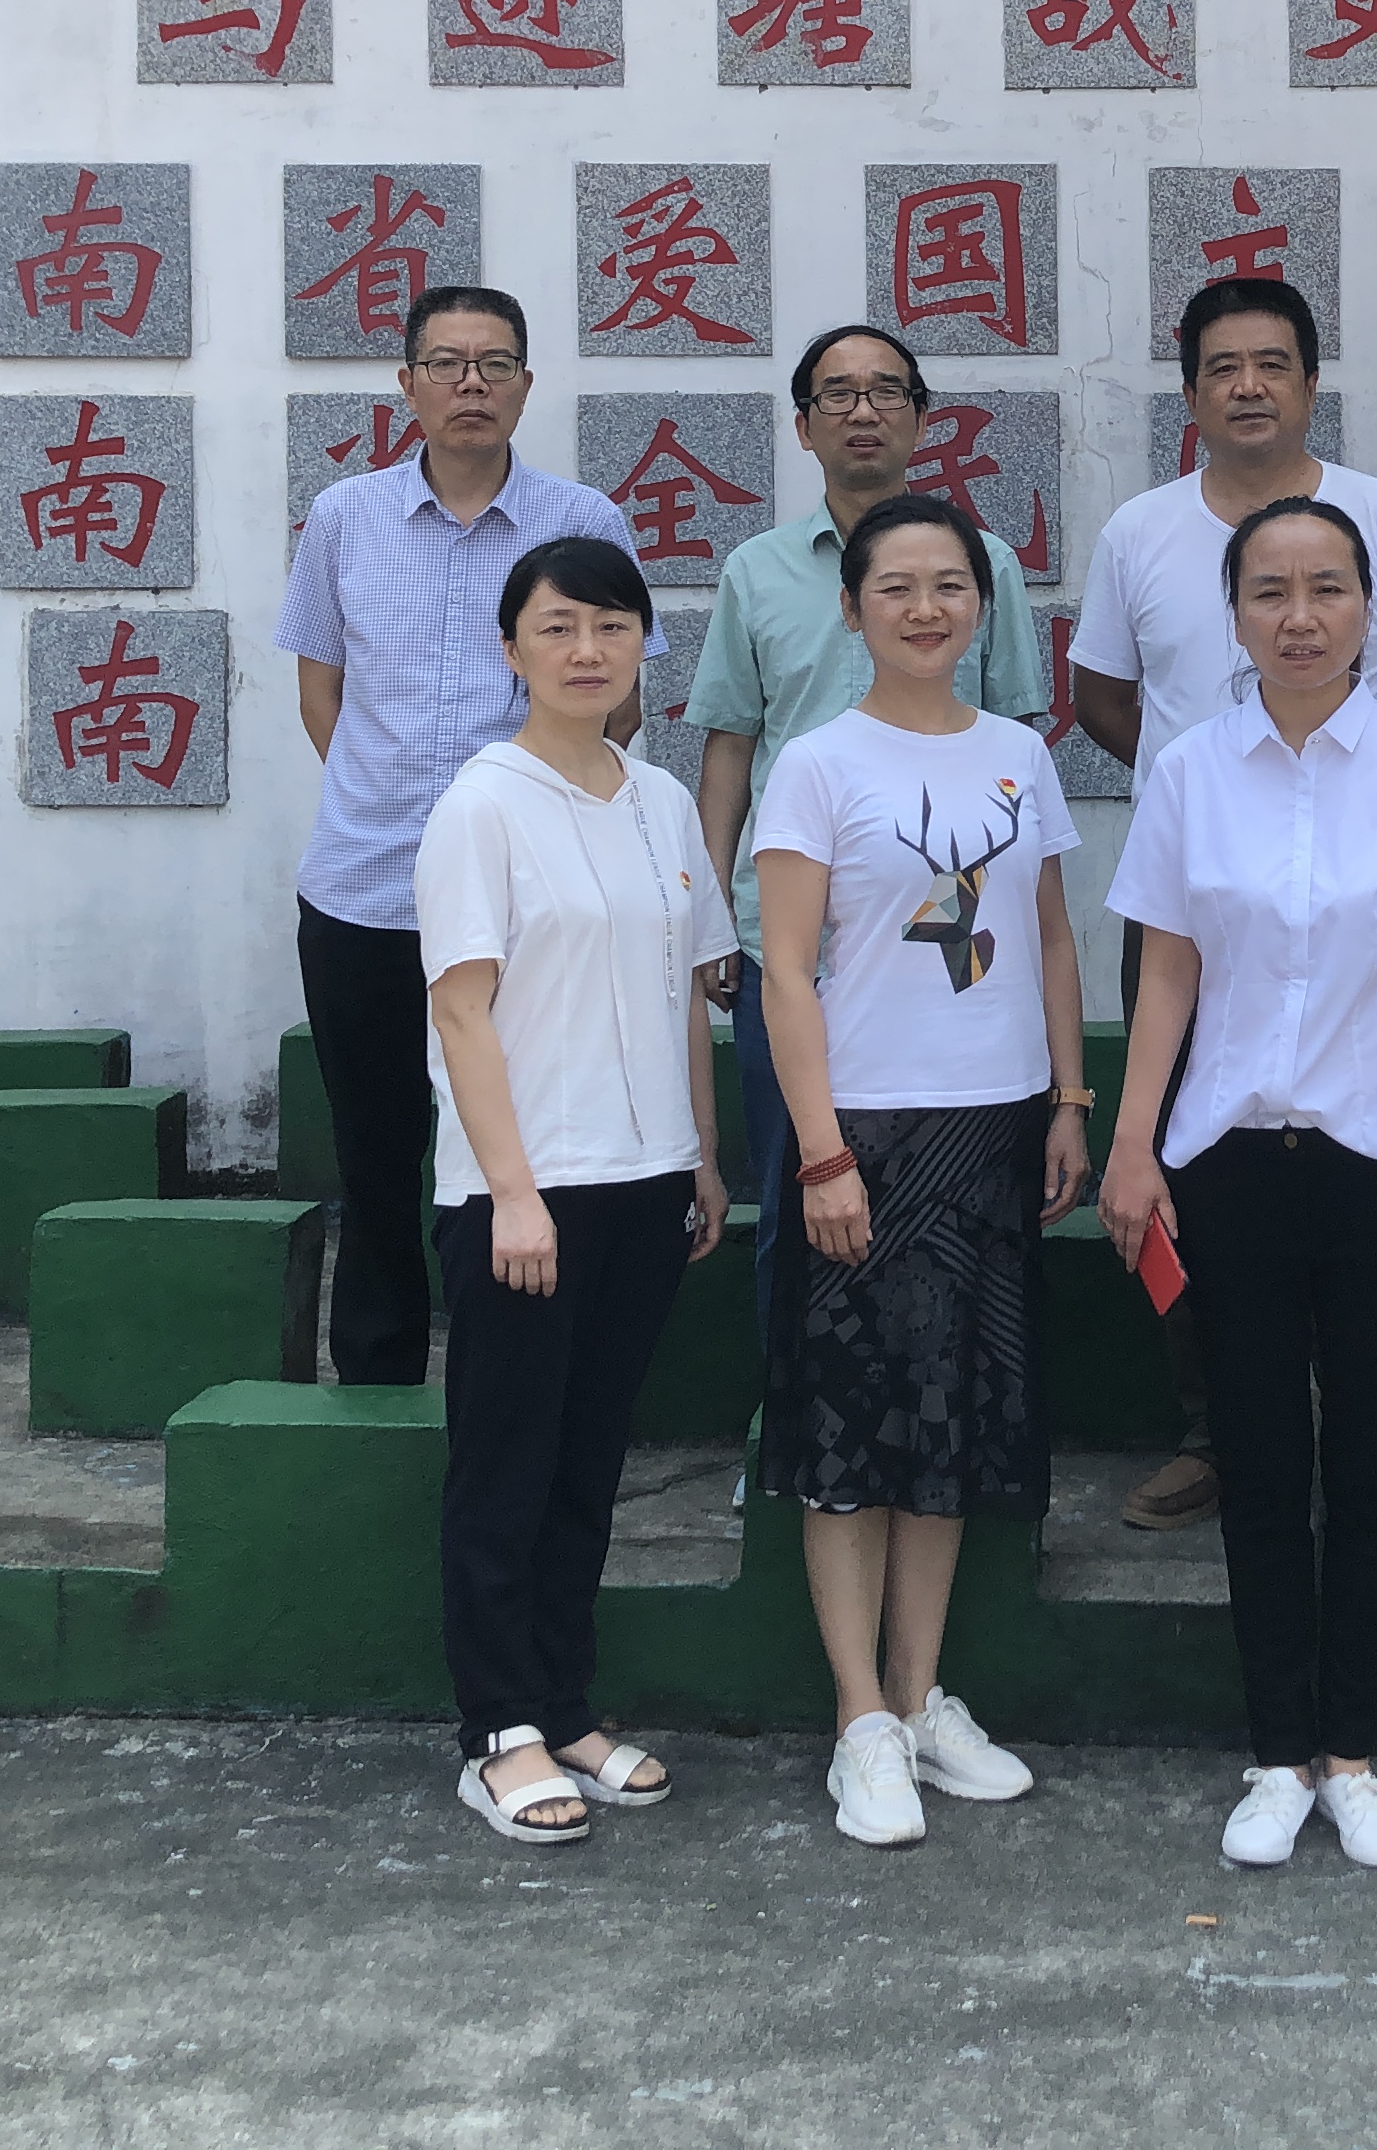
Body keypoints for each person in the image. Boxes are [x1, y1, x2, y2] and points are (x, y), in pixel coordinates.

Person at [1099, 499, 1377, 1872]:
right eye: (1269, 591)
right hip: (1228, 1162)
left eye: (1327, 588)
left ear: (1368, 611)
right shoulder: (1190, 771)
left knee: (1376, 1463)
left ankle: (1356, 1755)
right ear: (1232, 617)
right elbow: (1168, 969)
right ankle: (1279, 1753)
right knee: (1263, 1465)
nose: (1299, 616)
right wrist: (1134, 1143)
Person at [1070, 276, 1377, 1536]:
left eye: (1273, 363)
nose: (1248, 386)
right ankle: (1217, 1427)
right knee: (1185, 1161)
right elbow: (1101, 696)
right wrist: (1218, 805)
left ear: (1310, 381)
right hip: (1200, 901)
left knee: (1354, 1161)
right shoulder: (1141, 530)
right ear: (1190, 391)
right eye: (1222, 367)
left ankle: (1356, 1423)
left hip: (1353, 910)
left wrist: (1338, 799)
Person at [754, 493, 1090, 1850]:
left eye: (950, 585)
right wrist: (823, 1152)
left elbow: (1051, 938)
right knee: (851, 1427)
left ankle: (918, 1696)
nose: (925, 609)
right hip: (868, 1134)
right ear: (852, 610)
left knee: (950, 1421)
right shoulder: (819, 764)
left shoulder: (1018, 753)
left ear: (983, 605)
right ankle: (858, 1721)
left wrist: (1068, 1099)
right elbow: (786, 971)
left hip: (993, 1126)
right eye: (895, 587)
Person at [417, 535, 736, 1844]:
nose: (587, 650)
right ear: (513, 651)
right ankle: (498, 1731)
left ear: (643, 646)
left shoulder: (659, 802)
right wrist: (513, 1193)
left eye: (612, 625)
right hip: (526, 1194)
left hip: (644, 1182)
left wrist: (701, 1156)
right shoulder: (481, 805)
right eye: (557, 628)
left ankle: (565, 1705)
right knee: (506, 1468)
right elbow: (461, 1012)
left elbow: (686, 997)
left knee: (588, 1465)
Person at [281, 285, 651, 1388]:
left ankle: (514, 1370)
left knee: (521, 1139)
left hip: (535, 901)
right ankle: (380, 1373)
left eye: (494, 364)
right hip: (367, 885)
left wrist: (520, 826)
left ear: (527, 385)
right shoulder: (344, 516)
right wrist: (420, 820)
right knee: (378, 1146)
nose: (470, 384)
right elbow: (319, 692)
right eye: (445, 363)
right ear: (408, 385)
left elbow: (619, 701)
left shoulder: (584, 522)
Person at [689, 325, 1043, 1375]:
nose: (862, 411)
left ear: (921, 419)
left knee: (953, 1203)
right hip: (786, 947)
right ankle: (793, 1422)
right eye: (835, 395)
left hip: (940, 950)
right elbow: (730, 751)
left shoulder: (989, 567)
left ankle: (941, 1418)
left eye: (886, 391)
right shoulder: (755, 572)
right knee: (797, 1190)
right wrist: (710, 917)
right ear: (803, 427)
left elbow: (1015, 743)